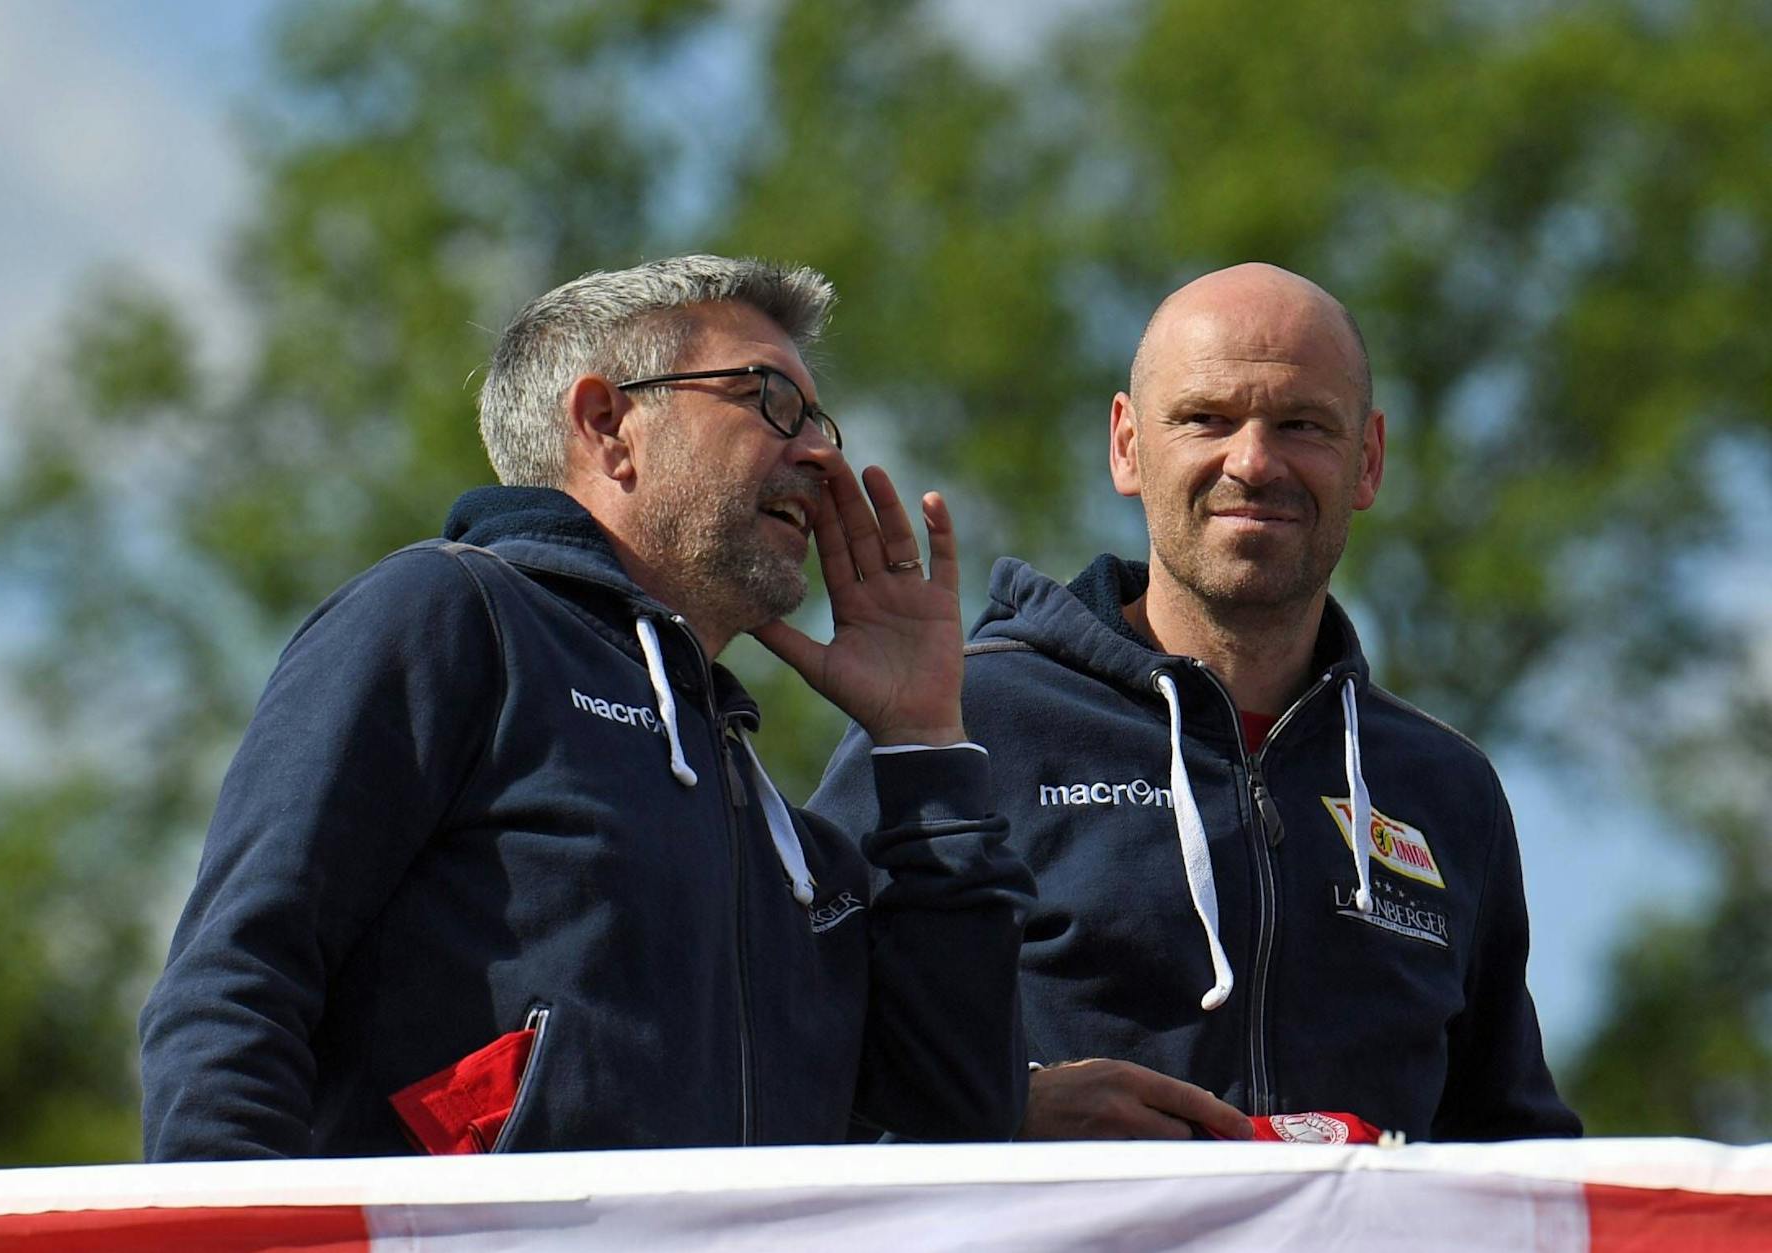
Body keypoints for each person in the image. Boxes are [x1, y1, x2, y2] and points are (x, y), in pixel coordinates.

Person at [139, 254, 1035, 1159]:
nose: (821, 455)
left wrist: (923, 744)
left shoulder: (778, 833)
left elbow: (955, 1104)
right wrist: (240, 1220)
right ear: (608, 424)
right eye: (768, 400)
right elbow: (238, 978)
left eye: (818, 419)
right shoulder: (448, 617)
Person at [812, 263, 1581, 1143]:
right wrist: (1006, 1110)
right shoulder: (960, 720)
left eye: (1302, 424)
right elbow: (783, 1045)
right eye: (1206, 419)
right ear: (1127, 445)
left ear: (1367, 461)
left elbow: (1513, 1149)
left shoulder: (1447, 787)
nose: (1252, 462)